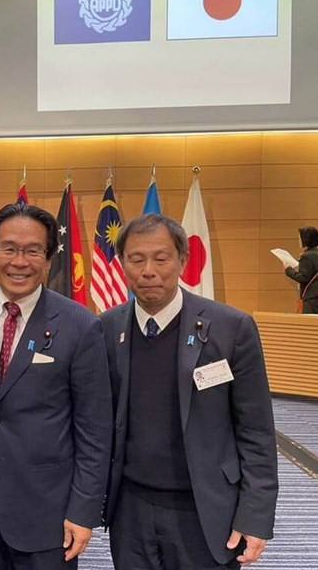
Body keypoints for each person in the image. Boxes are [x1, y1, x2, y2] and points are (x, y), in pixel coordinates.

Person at [102, 214, 278, 570]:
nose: (148, 270)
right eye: (136, 259)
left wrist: (255, 516)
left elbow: (256, 430)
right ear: (122, 265)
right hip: (131, 509)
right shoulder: (106, 329)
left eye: (161, 258)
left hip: (206, 508)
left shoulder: (231, 328)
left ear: (183, 260)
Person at [0, 201, 112, 570]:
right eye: (9, 248)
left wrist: (83, 510)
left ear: (49, 259)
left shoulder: (80, 325)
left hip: (48, 509)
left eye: (33, 251)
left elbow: (94, 429)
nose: (19, 261)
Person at [284, 226, 318, 314]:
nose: (299, 240)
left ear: (305, 239)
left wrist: (288, 270)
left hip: (311, 297)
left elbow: (303, 277)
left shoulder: (307, 256)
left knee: (309, 323)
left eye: (300, 238)